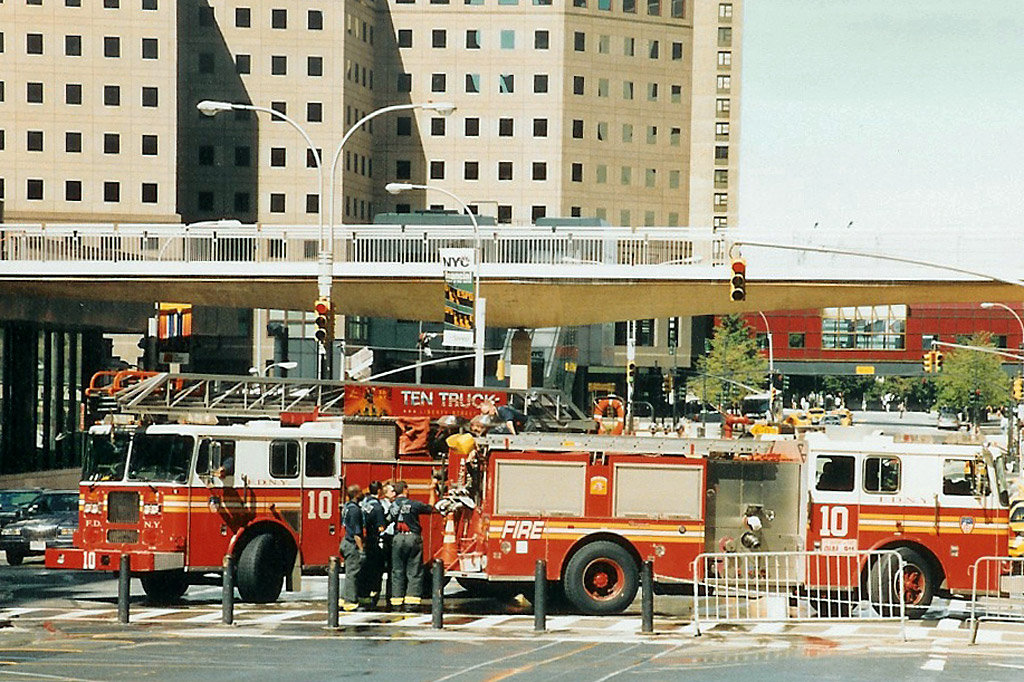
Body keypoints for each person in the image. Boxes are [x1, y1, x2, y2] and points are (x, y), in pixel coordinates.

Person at [388, 479, 436, 611]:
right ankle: (411, 601)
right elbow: (431, 508)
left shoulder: (392, 506)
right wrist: (432, 490)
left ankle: (396, 601)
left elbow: (387, 520)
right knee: (414, 570)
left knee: (397, 571)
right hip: (412, 538)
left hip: (397, 538)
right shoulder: (413, 504)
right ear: (405, 489)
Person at [359, 481, 388, 608]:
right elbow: (381, 527)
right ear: (379, 491)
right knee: (376, 571)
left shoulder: (363, 503)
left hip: (364, 541)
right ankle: (373, 595)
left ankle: (362, 595)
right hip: (373, 542)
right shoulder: (377, 506)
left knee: (364, 570)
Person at [339, 484, 364, 612]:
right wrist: (361, 550)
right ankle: (350, 602)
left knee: (349, 573)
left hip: (344, 542)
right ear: (356, 494)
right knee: (352, 573)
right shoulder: (355, 510)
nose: (362, 493)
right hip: (351, 543)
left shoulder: (347, 507)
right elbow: (356, 533)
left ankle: (343, 599)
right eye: (360, 491)